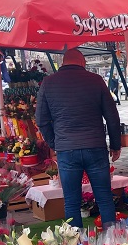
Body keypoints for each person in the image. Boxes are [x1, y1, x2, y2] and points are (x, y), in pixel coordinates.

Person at [36, 49, 122, 229]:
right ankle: (112, 240)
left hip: (66, 150)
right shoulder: (96, 81)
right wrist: (115, 145)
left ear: (62, 63)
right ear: (82, 62)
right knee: (105, 198)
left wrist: (55, 143)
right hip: (95, 146)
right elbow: (112, 117)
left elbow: (41, 121)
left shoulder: (48, 83)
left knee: (71, 202)